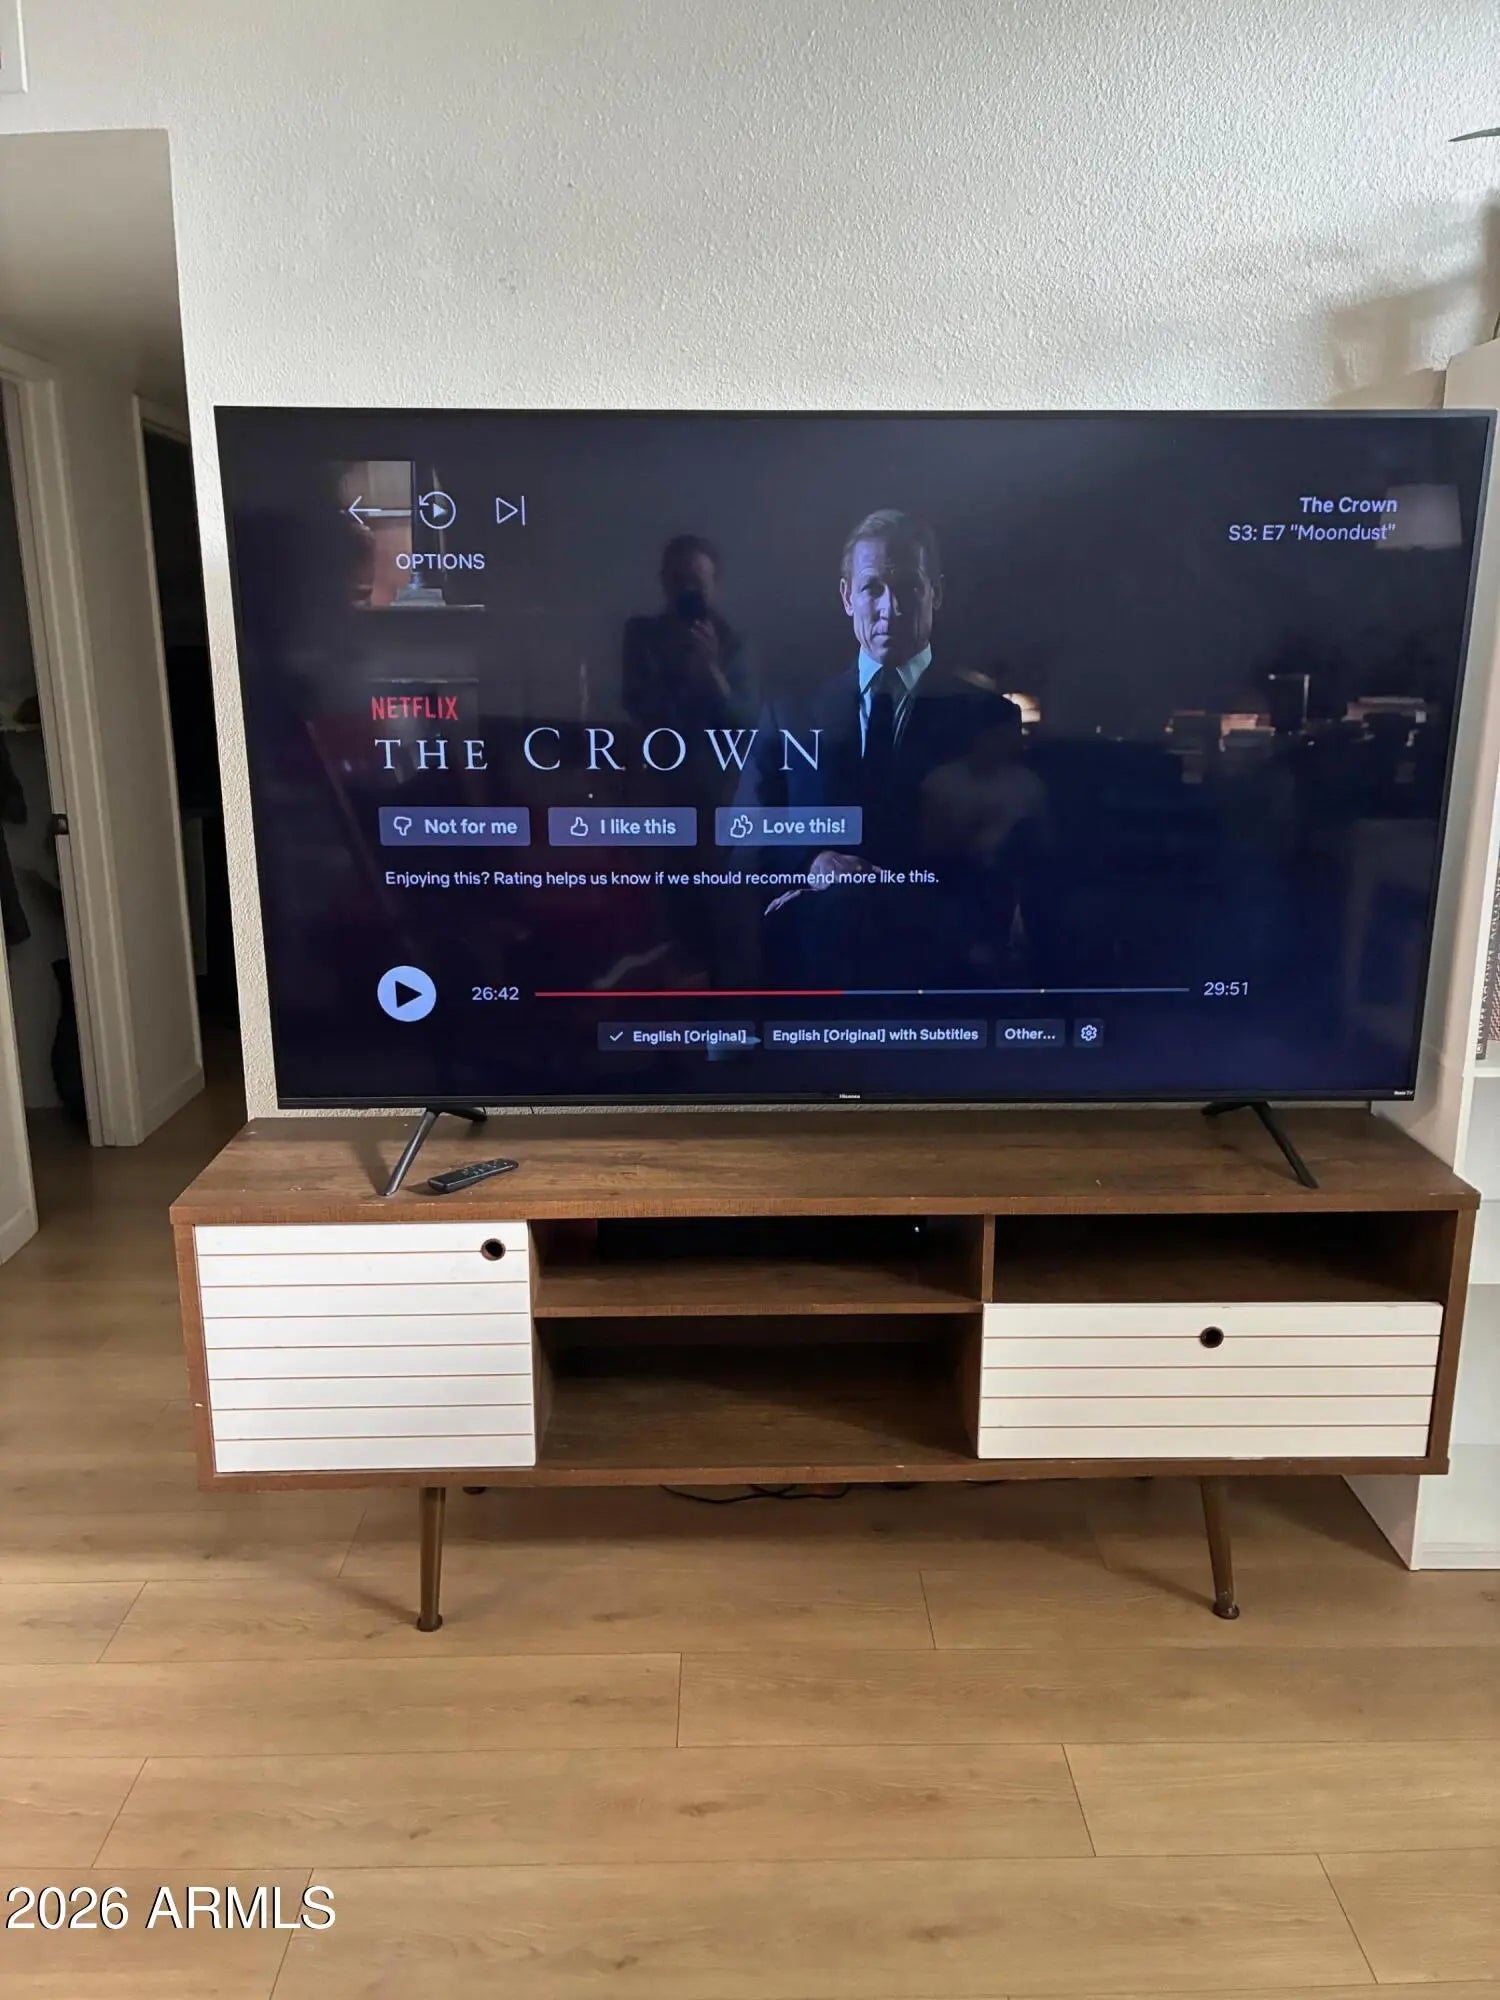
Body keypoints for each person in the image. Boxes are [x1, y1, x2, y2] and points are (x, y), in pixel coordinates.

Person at [736, 508, 1017, 884]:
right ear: (847, 597)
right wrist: (811, 863)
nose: (891, 609)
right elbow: (745, 838)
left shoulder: (990, 719)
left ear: (936, 593)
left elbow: (1010, 862)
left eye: (908, 587)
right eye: (872, 588)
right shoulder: (789, 715)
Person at [621, 534, 757, 737]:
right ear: (664, 581)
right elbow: (639, 708)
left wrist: (712, 673)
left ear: (714, 585)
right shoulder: (642, 635)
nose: (687, 589)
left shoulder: (735, 644)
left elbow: (744, 724)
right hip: (661, 754)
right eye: (679, 581)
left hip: (715, 756)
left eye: (698, 583)